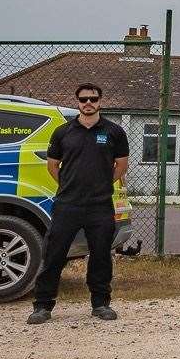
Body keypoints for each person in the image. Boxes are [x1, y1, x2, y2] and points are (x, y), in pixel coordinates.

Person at [27, 83, 129, 324]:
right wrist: (69, 184)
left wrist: (103, 184)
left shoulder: (114, 132)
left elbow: (121, 166)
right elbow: (52, 166)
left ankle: (101, 304)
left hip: (100, 205)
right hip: (67, 205)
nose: (88, 103)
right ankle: (42, 306)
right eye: (84, 99)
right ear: (78, 102)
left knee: (101, 256)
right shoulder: (63, 132)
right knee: (54, 255)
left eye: (93, 99)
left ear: (100, 101)